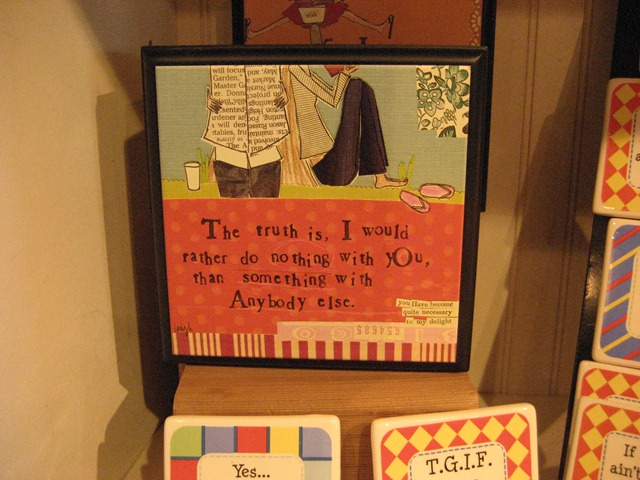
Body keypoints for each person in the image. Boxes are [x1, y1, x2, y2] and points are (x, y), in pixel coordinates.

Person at [285, 64, 407, 188]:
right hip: (328, 170)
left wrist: (344, 73)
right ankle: (380, 177)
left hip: (334, 161)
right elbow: (330, 98)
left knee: (363, 87)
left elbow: (332, 99)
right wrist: (344, 74)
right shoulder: (294, 69)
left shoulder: (304, 71)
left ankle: (380, 177)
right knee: (356, 85)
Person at [246, 1, 393, 44]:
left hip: (321, 8)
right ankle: (255, 34)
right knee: (287, 17)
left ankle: (377, 28)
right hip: (310, 8)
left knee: (345, 12)